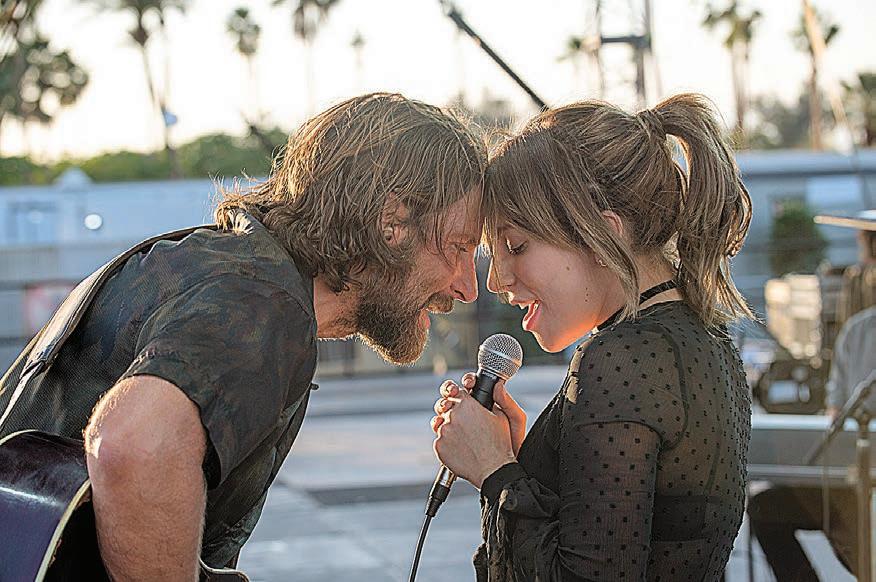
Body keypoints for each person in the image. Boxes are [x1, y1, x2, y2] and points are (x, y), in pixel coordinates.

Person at [0, 93, 486, 580]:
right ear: (392, 223)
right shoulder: (261, 304)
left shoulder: (219, 267)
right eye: (459, 248)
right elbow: (136, 446)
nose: (468, 287)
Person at [431, 93, 753, 580]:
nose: (496, 279)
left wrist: (495, 471)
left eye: (516, 246)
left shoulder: (621, 358)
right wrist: (518, 462)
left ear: (604, 235)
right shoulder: (707, 340)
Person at [747, 213, 876, 581]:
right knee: (766, 507)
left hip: (861, 489)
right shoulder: (859, 331)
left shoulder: (858, 330)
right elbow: (836, 410)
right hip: (852, 482)